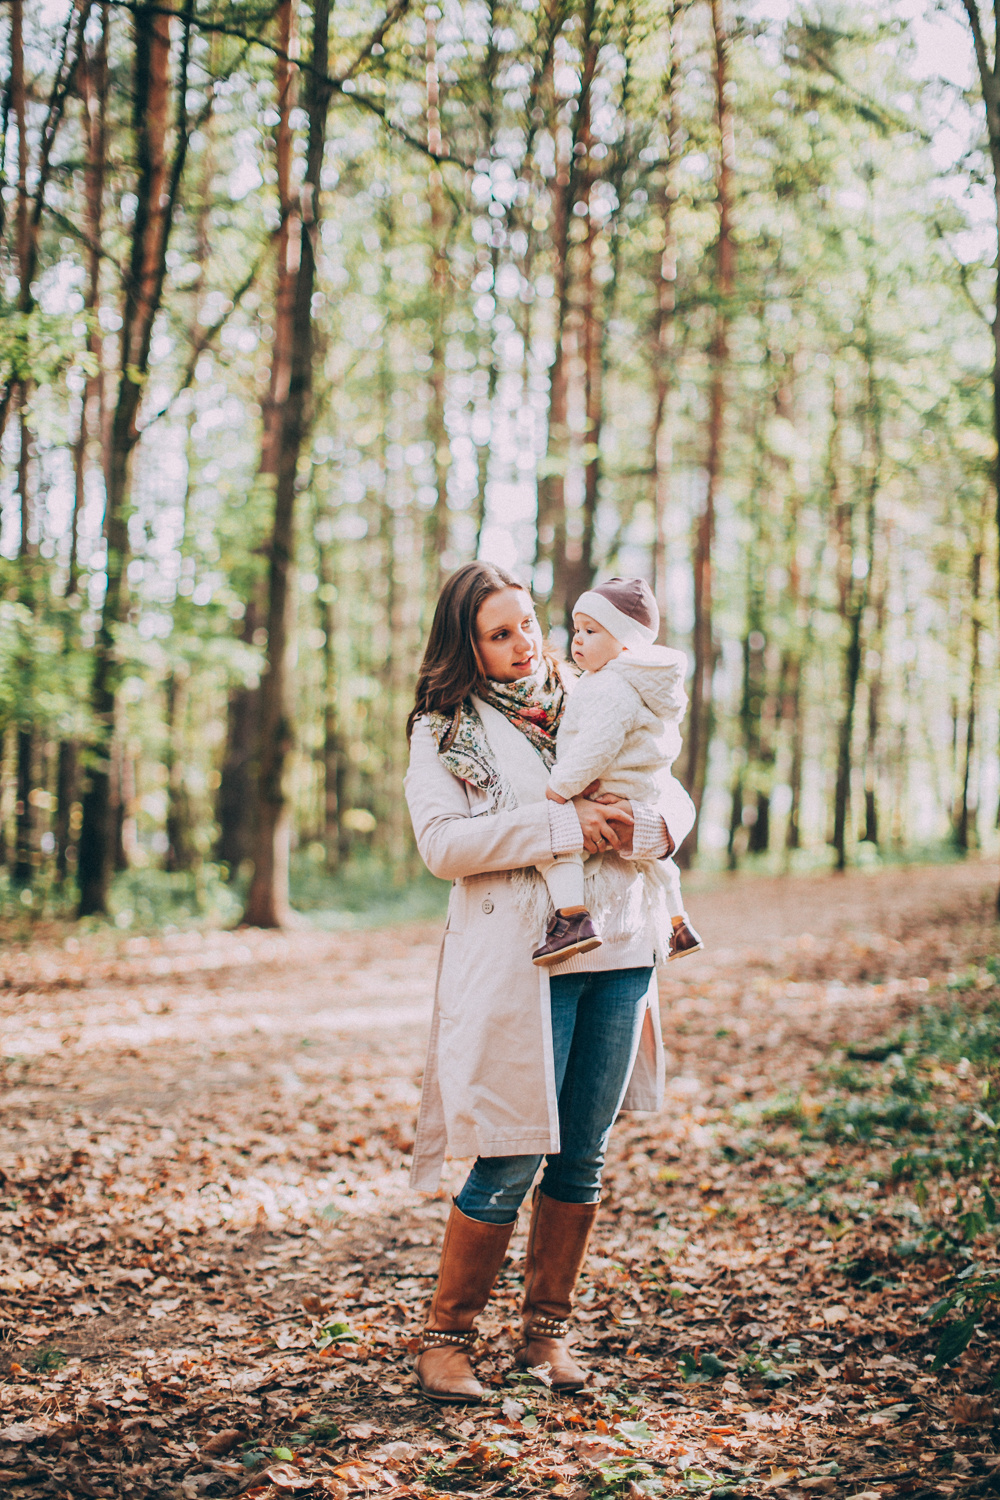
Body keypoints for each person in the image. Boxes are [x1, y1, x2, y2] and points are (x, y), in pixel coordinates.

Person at [403, 561, 696, 1404]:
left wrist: (643, 826)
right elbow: (442, 845)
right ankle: (447, 1341)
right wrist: (561, 824)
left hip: (622, 945)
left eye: (527, 623)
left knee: (583, 1152)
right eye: (500, 634)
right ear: (466, 644)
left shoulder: (594, 683)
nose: (524, 644)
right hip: (524, 961)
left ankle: (545, 1335)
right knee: (511, 1149)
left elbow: (669, 791)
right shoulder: (444, 726)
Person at [531, 576, 703, 968]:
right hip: (637, 786)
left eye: (591, 631)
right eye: (577, 629)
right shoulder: (623, 680)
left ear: (625, 643)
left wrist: (561, 787)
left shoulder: (609, 685)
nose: (577, 639)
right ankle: (679, 923)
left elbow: (597, 744)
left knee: (560, 844)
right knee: (655, 862)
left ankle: (572, 917)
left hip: (609, 784)